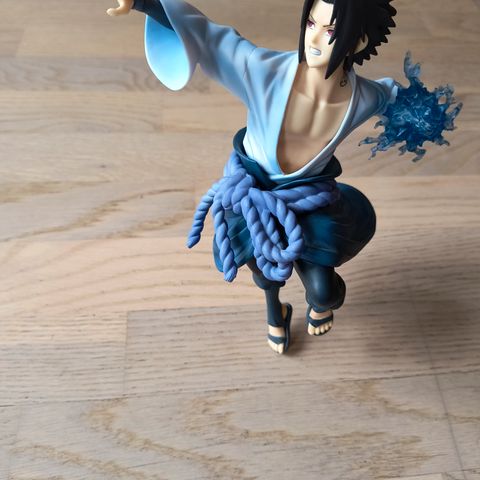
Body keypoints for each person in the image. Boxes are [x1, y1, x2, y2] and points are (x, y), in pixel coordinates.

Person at [107, 0, 400, 354]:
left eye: (331, 31)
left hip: (308, 197)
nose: (314, 39)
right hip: (253, 191)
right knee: (263, 270)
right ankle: (275, 312)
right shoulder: (265, 72)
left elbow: (395, 97)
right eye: (311, 24)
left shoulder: (363, 97)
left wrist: (426, 116)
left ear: (358, 41)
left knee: (325, 292)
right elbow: (209, 37)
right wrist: (144, 3)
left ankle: (320, 303)